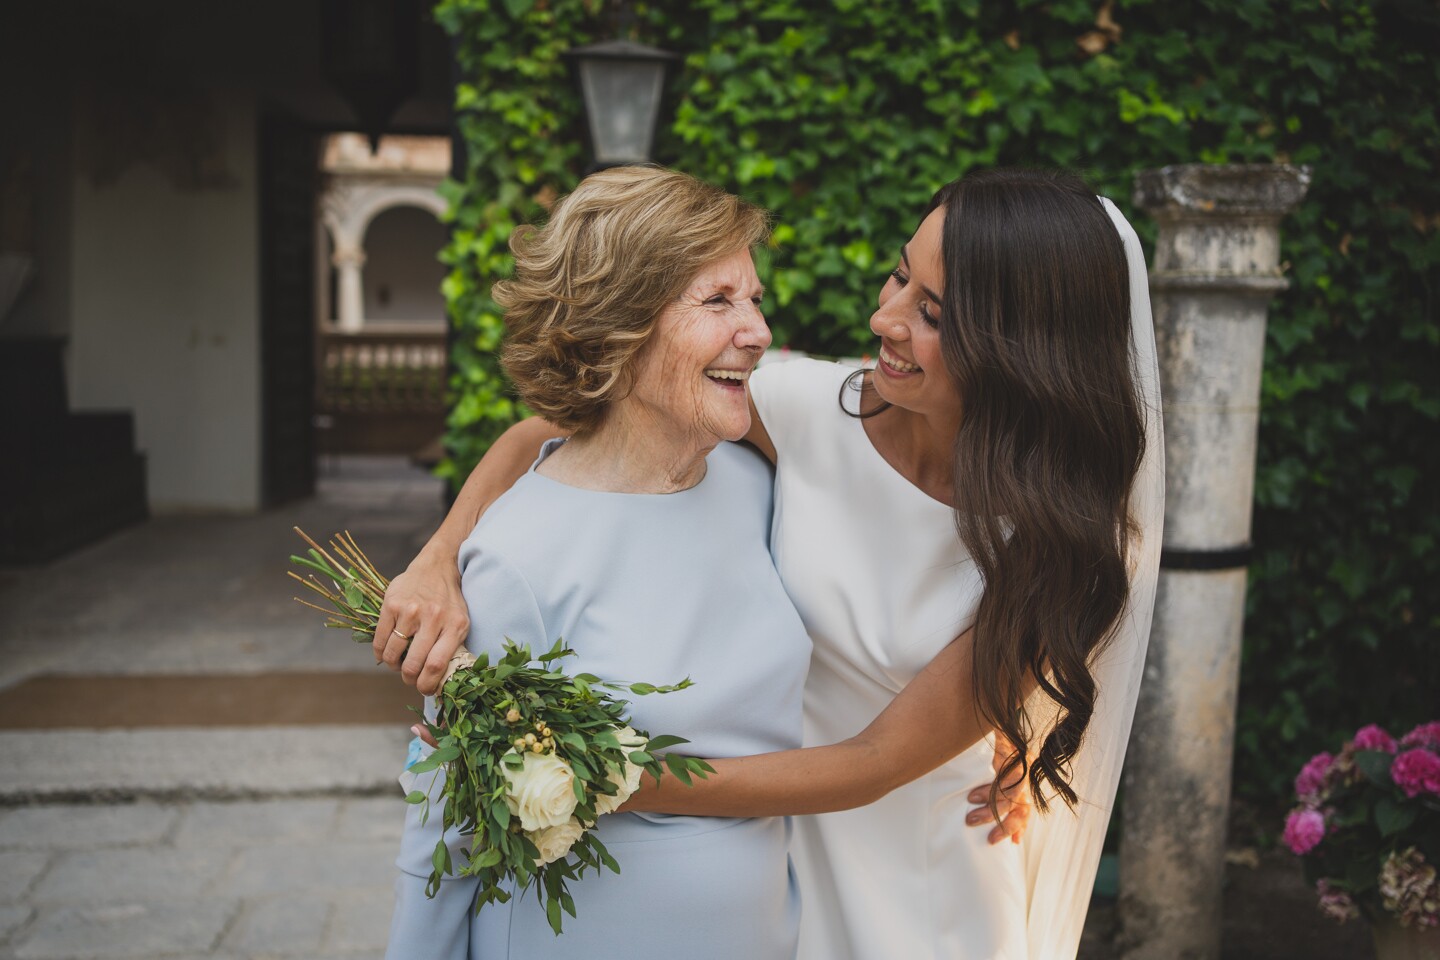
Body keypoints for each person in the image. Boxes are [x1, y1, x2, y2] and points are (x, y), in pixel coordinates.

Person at [382, 168, 1164, 959]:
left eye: (931, 312)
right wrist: (440, 559)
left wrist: (604, 777)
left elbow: (875, 760)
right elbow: (569, 429)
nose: (883, 317)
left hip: (917, 886)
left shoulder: (1068, 552)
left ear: (1020, 349)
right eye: (900, 273)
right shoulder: (806, 414)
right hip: (777, 873)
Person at [384, 165, 813, 960]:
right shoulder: (520, 559)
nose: (755, 330)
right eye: (717, 300)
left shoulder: (758, 483)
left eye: (752, 298)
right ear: (619, 326)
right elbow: (447, 817)